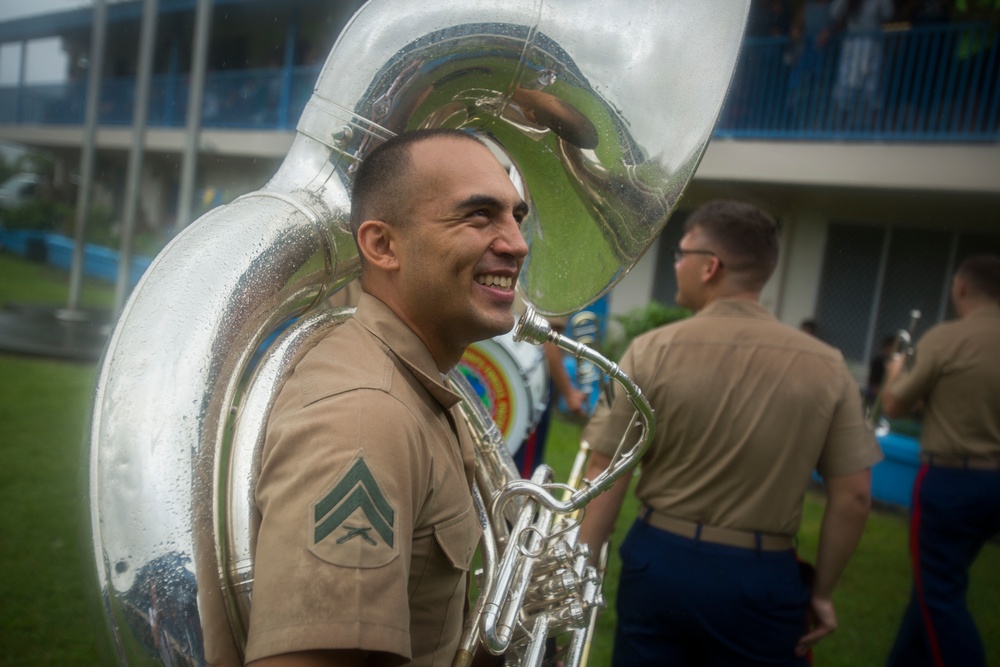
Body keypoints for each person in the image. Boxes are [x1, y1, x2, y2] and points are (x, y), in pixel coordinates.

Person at [244, 128, 529, 666]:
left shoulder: (412, 377)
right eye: (479, 215)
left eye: (517, 217)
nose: (517, 242)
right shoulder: (363, 417)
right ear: (381, 245)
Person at [577, 199, 881, 666]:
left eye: (681, 254)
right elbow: (855, 496)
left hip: (660, 563)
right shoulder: (829, 365)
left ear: (710, 267)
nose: (675, 265)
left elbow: (605, 471)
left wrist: (578, 576)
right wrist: (820, 594)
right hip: (762, 575)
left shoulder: (650, 351)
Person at [882, 254, 1000, 667]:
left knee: (940, 596)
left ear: (962, 287)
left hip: (953, 480)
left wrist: (895, 370)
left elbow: (894, 405)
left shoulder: (948, 337)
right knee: (936, 585)